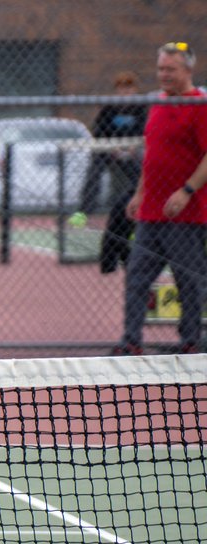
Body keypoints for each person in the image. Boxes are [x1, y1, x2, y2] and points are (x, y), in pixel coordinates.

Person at [114, 42, 207, 356]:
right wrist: (140, 193)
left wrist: (187, 191)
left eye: (171, 69)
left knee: (188, 279)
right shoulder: (158, 102)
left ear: (188, 70)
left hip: (185, 214)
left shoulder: (200, 105)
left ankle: (190, 341)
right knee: (137, 277)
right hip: (151, 213)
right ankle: (131, 341)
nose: (164, 74)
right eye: (161, 68)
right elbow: (152, 154)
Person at [77, 71, 147, 216]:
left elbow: (144, 131)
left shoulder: (140, 109)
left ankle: (140, 210)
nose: (125, 92)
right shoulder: (109, 108)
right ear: (117, 90)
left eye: (129, 88)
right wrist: (112, 148)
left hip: (131, 150)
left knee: (140, 175)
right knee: (94, 171)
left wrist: (132, 148)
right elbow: (99, 131)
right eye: (122, 88)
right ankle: (84, 213)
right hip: (109, 150)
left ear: (135, 90)